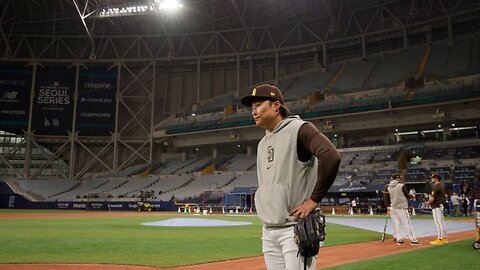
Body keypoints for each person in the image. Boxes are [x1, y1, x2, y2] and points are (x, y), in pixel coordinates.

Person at [241, 84, 341, 270]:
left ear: (276, 105)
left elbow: (331, 155)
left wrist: (313, 200)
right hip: (269, 230)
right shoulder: (263, 143)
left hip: (294, 228)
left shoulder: (300, 129)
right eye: (252, 107)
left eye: (259, 104)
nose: (253, 111)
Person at [383, 173, 421, 245]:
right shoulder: (401, 185)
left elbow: (386, 198)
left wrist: (388, 206)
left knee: (396, 224)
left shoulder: (388, 187)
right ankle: (413, 240)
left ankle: (399, 239)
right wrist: (412, 196)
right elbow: (407, 195)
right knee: (407, 224)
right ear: (397, 179)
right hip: (402, 208)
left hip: (393, 207)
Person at [426, 173, 448, 245]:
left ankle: (440, 239)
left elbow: (432, 198)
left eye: (433, 178)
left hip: (436, 206)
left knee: (438, 223)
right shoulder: (440, 186)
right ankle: (444, 238)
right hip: (440, 205)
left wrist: (427, 203)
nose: (431, 179)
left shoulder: (436, 187)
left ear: (436, 178)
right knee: (442, 222)